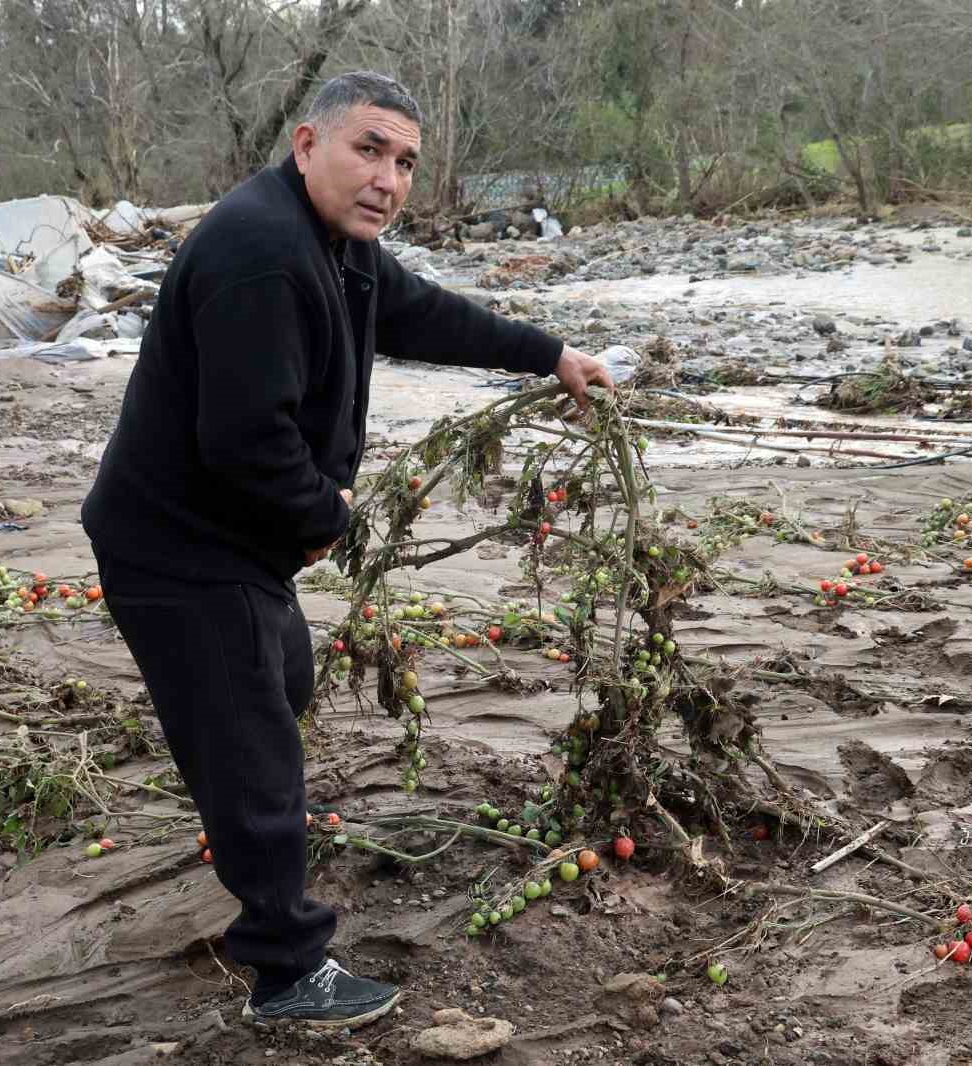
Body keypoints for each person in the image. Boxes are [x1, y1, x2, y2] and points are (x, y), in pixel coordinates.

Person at [81, 71, 612, 1029]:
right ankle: (287, 969)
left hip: (231, 541)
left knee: (276, 683)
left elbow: (421, 312)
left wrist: (547, 353)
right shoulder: (261, 252)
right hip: (176, 547)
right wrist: (325, 514)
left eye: (404, 162)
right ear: (306, 144)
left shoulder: (340, 245)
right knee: (253, 743)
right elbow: (245, 440)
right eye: (369, 150)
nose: (388, 179)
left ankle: (246, 827)